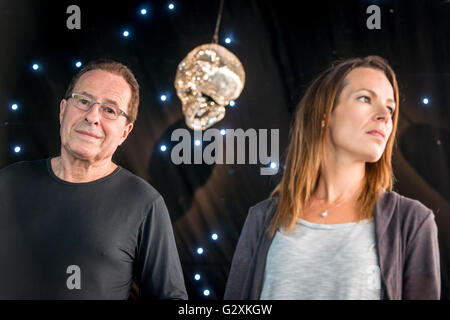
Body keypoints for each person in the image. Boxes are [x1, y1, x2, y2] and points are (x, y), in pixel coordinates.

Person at [224, 56, 441, 300]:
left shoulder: (413, 221)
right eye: (365, 98)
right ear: (325, 113)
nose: (385, 115)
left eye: (390, 108)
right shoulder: (262, 219)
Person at [0, 59, 188, 299]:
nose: (92, 116)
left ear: (125, 132)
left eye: (110, 110)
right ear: (62, 110)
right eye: (84, 101)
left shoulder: (144, 204)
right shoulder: (9, 181)